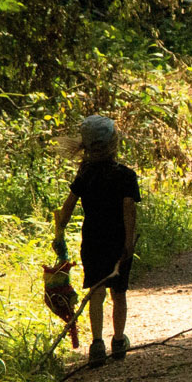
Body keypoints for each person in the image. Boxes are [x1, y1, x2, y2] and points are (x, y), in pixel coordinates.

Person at [53, 115, 140, 367]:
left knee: (96, 292)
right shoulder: (125, 175)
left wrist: (59, 235)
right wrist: (129, 242)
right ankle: (119, 340)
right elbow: (129, 210)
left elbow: (66, 209)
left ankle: (97, 344)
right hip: (118, 241)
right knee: (119, 291)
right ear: (114, 143)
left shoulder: (85, 175)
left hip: (92, 242)